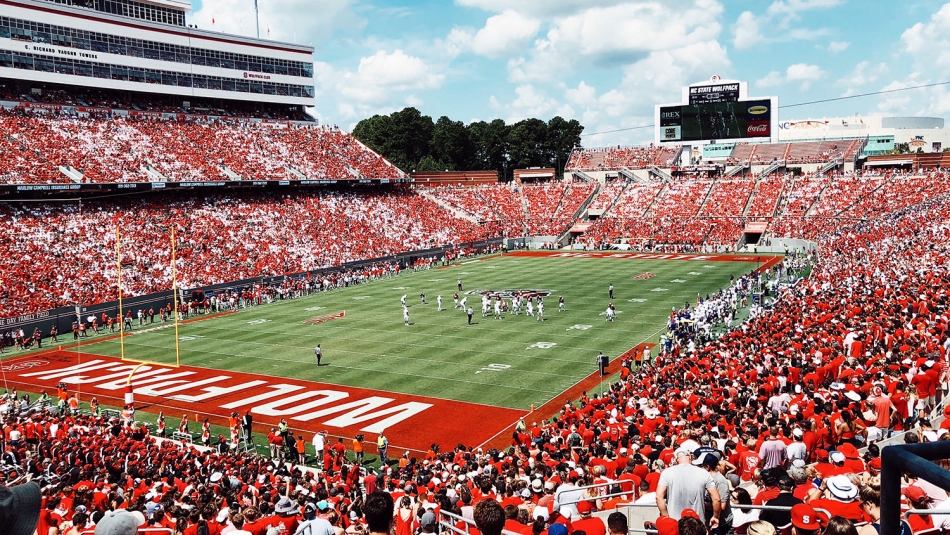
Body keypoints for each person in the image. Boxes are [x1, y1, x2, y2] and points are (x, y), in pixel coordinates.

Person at [656, 449, 721, 528]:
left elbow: (659, 497)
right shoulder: (703, 473)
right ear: (690, 457)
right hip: (698, 525)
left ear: (676, 460)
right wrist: (715, 517)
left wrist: (666, 517)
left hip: (675, 524)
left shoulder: (666, 473)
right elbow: (716, 498)